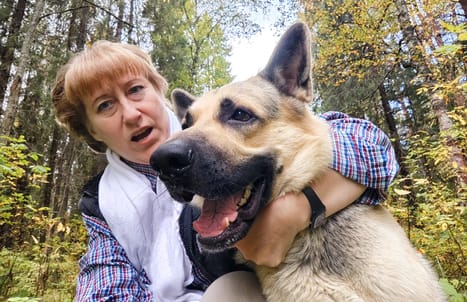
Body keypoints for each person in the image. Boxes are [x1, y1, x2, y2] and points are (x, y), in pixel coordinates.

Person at [52, 40, 399, 302]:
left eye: (135, 90)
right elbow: (106, 285)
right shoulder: (99, 204)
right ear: (93, 132)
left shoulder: (218, 125)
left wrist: (301, 207)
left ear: (158, 91)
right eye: (105, 106)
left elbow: (371, 145)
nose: (130, 113)